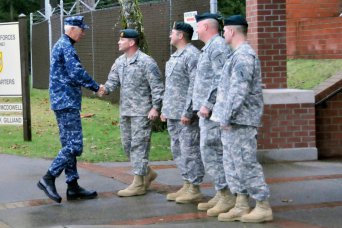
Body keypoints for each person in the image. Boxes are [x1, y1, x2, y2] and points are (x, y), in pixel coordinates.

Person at [211, 15, 273, 223]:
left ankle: (262, 205)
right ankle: (241, 203)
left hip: (240, 120)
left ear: (232, 31)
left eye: (225, 30)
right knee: (232, 163)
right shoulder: (235, 54)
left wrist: (226, 116)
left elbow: (239, 91)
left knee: (245, 163)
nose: (223, 34)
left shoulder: (244, 56)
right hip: (231, 121)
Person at [37, 16, 99, 203]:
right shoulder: (65, 46)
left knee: (68, 145)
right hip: (66, 102)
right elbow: (76, 72)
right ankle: (48, 177)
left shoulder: (63, 45)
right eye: (82, 29)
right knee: (75, 145)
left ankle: (72, 187)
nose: (84, 33)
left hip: (62, 101)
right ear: (72, 29)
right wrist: (96, 87)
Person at [98, 29, 164, 197]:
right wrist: (103, 89)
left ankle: (138, 184)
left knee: (139, 146)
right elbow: (112, 82)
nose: (118, 42)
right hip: (126, 111)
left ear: (132, 42)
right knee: (127, 145)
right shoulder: (120, 62)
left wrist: (156, 107)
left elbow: (157, 87)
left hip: (142, 112)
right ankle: (146, 173)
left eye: (122, 40)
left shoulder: (146, 62)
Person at [192, 12, 235, 217]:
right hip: (206, 112)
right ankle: (221, 191)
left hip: (212, 111)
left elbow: (221, 79)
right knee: (209, 152)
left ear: (207, 27)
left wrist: (208, 104)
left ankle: (227, 194)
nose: (196, 29)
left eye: (198, 26)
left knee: (213, 151)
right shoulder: (210, 47)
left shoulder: (217, 46)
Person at [160, 22, 205, 203]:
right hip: (173, 112)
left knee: (190, 150)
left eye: (172, 33)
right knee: (177, 149)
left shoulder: (192, 55)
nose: (169, 36)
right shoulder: (175, 56)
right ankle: (186, 183)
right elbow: (171, 87)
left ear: (180, 35)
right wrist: (165, 109)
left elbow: (195, 86)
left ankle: (194, 188)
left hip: (185, 115)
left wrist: (188, 112)